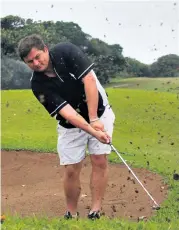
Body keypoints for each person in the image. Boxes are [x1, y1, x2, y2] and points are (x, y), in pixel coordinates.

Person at [17, 34, 115, 220]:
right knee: (71, 168)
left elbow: (90, 81)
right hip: (71, 124)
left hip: (100, 112)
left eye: (38, 57)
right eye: (30, 62)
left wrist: (94, 119)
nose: (36, 63)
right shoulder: (37, 85)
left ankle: (95, 210)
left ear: (45, 49)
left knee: (99, 160)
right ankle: (71, 212)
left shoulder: (66, 52)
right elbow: (68, 113)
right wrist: (92, 130)